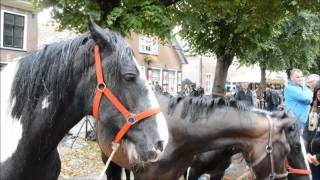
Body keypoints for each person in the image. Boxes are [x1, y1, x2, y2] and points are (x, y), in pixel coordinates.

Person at [304, 80, 320, 179]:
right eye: (318, 94)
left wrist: (318, 157)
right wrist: (306, 152)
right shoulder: (313, 110)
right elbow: (306, 132)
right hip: (311, 159)